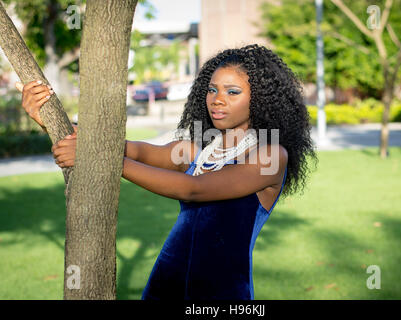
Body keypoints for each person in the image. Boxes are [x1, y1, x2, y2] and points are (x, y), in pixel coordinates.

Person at [17, 44, 317, 300]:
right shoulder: (199, 149)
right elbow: (130, 149)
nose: (217, 99)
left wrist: (99, 160)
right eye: (211, 89)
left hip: (222, 291)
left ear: (261, 99)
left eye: (232, 91)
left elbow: (192, 189)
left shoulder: (269, 156)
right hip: (166, 281)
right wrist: (47, 118)